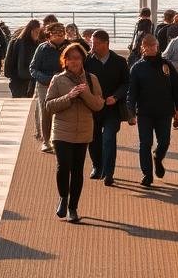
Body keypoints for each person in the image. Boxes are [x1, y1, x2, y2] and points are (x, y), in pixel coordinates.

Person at [44, 42, 104, 222]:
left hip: (83, 131)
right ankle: (63, 197)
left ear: (83, 60)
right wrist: (68, 97)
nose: (75, 62)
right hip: (62, 131)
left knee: (78, 170)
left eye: (78, 58)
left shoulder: (92, 79)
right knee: (64, 166)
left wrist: (85, 93)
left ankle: (73, 208)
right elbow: (48, 106)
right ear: (65, 61)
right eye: (70, 58)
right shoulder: (58, 80)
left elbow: (98, 105)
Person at [126, 33, 178, 187]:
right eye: (148, 46)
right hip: (144, 112)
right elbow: (131, 92)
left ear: (158, 47)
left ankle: (158, 158)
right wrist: (130, 112)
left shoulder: (166, 65)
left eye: (154, 46)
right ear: (142, 48)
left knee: (164, 142)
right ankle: (147, 175)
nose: (151, 48)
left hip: (164, 112)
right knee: (145, 143)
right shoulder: (137, 68)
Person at [84, 29, 129, 186]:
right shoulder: (87, 61)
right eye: (92, 43)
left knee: (109, 138)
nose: (93, 46)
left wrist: (116, 97)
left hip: (112, 108)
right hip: (92, 107)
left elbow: (126, 83)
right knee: (94, 138)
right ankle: (97, 166)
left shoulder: (120, 62)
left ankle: (109, 173)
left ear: (106, 44)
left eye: (96, 44)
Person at [30, 21, 67, 152]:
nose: (60, 36)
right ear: (49, 35)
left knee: (64, 110)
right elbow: (33, 68)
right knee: (46, 111)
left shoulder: (68, 47)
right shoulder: (42, 48)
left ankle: (61, 139)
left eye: (62, 33)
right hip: (44, 84)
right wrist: (46, 79)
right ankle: (46, 141)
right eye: (56, 34)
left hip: (64, 83)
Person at [7, 19, 43, 100]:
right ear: (31, 31)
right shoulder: (23, 44)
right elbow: (21, 66)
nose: (38, 35)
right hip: (21, 81)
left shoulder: (31, 43)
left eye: (39, 32)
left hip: (21, 79)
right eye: (36, 32)